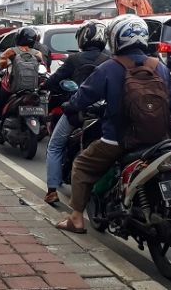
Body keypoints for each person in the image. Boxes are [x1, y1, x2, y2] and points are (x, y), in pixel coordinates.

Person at [55, 15, 171, 233]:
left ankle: (75, 218)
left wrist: (70, 105)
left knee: (82, 166)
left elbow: (83, 97)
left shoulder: (109, 67)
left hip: (117, 139)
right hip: (159, 140)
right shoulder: (159, 67)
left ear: (116, 38)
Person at [43, 20, 110, 204]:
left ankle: (52, 191)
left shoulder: (74, 60)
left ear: (83, 38)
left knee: (55, 145)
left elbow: (53, 80)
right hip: (103, 112)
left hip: (78, 110)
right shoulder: (111, 59)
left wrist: (46, 85)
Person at [0, 27, 44, 151]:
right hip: (31, 90)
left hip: (11, 89)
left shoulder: (11, 52)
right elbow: (42, 68)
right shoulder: (37, 53)